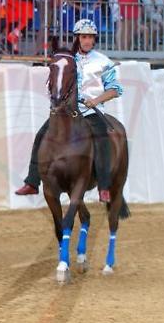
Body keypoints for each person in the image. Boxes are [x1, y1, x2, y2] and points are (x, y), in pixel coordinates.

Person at [14, 18, 122, 202]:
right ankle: (32, 182)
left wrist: (95, 101)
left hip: (90, 112)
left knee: (102, 140)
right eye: (83, 37)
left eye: (90, 37)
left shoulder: (103, 62)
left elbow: (115, 90)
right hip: (65, 112)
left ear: (94, 39)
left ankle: (104, 187)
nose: (87, 41)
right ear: (77, 38)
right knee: (41, 135)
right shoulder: (67, 59)